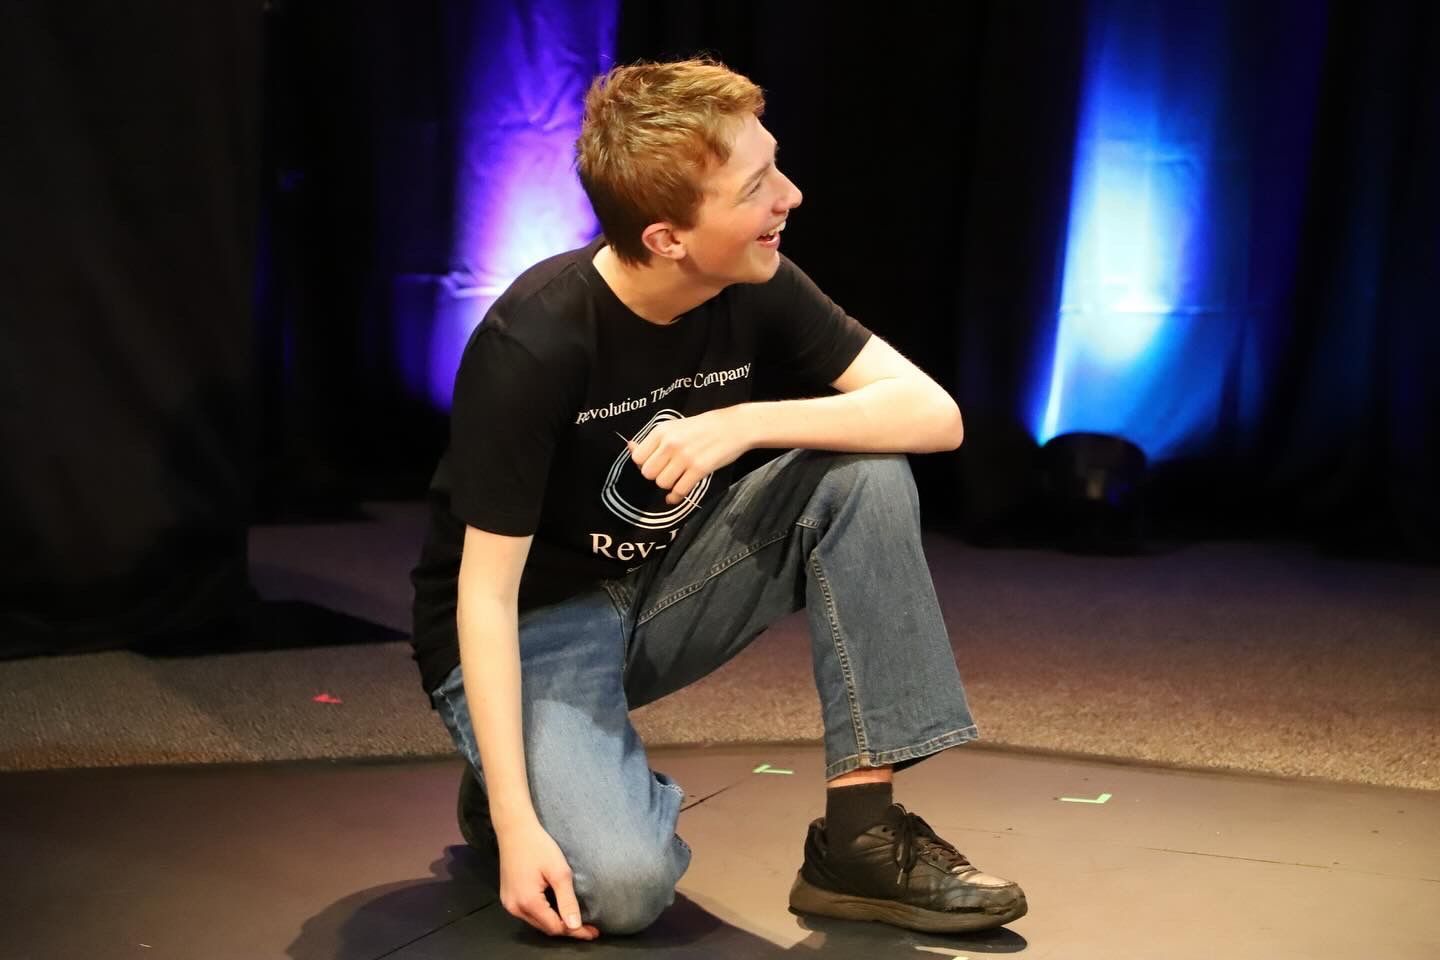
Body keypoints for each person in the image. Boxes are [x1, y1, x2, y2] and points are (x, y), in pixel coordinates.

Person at [409, 57, 1027, 941]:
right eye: (758, 185)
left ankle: (859, 841)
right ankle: (520, 775)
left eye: (773, 165)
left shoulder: (760, 281)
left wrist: (746, 422)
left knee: (865, 473)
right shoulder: (535, 343)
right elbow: (484, 594)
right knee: (624, 891)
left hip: (668, 585)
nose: (792, 196)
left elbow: (936, 417)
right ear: (667, 238)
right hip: (531, 626)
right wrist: (516, 819)